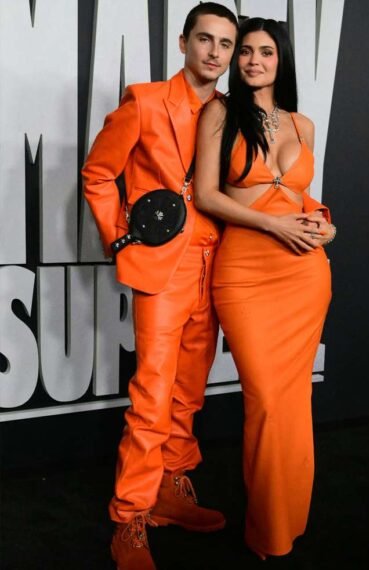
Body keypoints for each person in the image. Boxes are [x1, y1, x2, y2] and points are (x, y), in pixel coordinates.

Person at [81, 4, 238, 569]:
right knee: (152, 394)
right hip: (162, 270)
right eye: (205, 39)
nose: (215, 52)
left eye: (225, 43)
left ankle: (170, 490)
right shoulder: (145, 101)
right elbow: (98, 174)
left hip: (216, 265)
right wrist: (121, 239)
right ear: (183, 42)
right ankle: (130, 518)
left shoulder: (231, 111)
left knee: (188, 393)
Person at [193, 17, 335, 560]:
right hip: (246, 274)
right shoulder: (221, 113)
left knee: (294, 401)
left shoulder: (303, 125)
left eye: (266, 52)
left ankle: (284, 524)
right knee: (269, 400)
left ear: (282, 60)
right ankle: (268, 530)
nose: (254, 61)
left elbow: (302, 200)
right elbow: (207, 194)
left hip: (305, 275)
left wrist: (327, 225)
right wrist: (272, 225)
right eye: (245, 51)